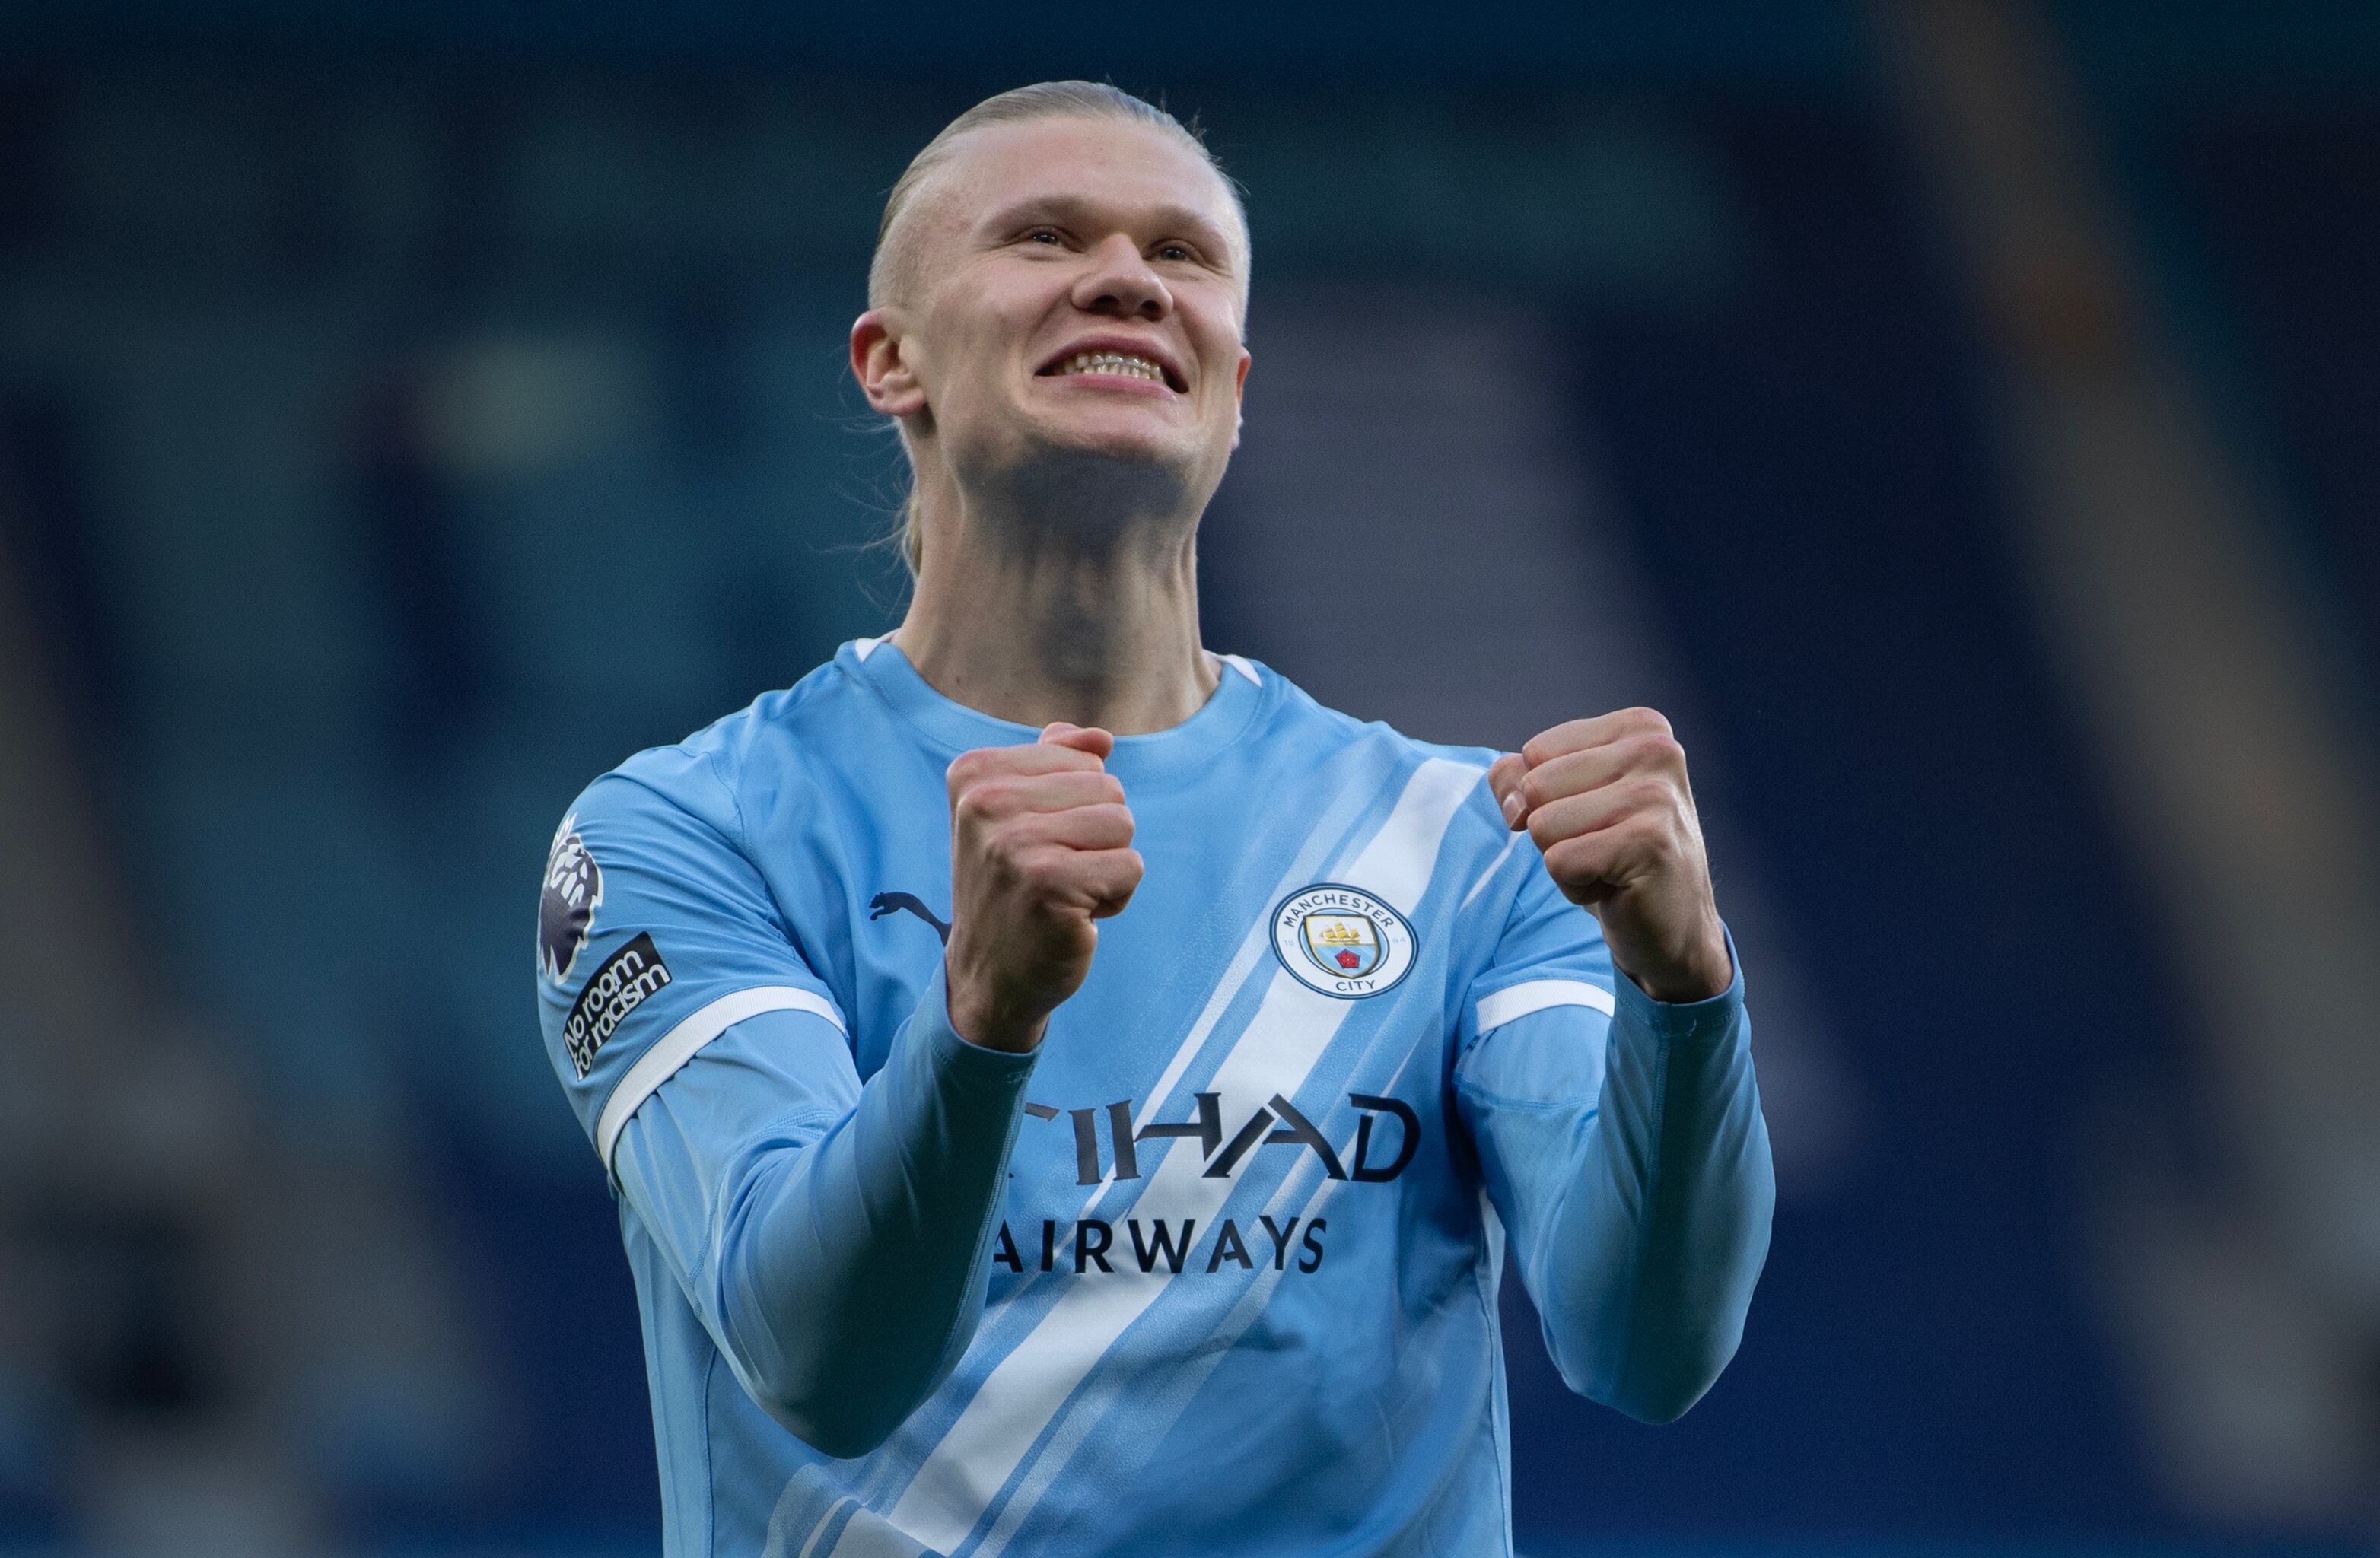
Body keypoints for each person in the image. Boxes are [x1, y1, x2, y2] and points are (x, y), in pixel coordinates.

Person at [534, 81, 1773, 1558]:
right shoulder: (684, 834)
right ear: (889, 361)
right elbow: (819, 1361)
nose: (1123, 275)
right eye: (1044, 236)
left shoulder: (1462, 839)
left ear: (1233, 387)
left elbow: (1642, 1348)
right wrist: (980, 1023)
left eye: (1179, 256)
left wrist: (1684, 993)